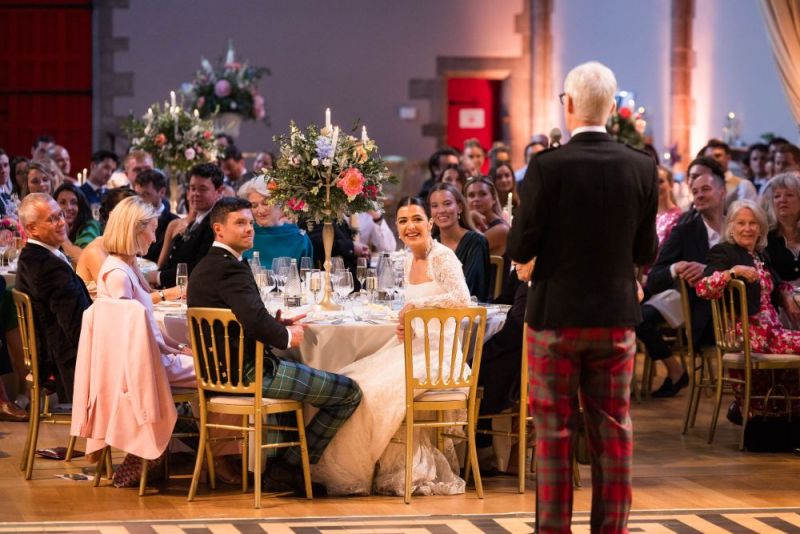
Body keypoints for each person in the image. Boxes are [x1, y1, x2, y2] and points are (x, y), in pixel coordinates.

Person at [508, 61, 657, 533]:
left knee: (553, 434)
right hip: (615, 317)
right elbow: (645, 250)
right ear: (612, 109)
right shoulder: (642, 166)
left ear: (567, 105)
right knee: (614, 433)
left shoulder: (547, 167)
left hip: (555, 318)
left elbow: (520, 247)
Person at [188, 197, 362, 494]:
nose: (249, 229)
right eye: (240, 223)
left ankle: (279, 471)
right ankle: (289, 467)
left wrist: (276, 323)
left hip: (219, 373)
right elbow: (254, 321)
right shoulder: (231, 268)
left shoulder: (207, 266)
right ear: (219, 229)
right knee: (349, 393)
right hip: (248, 373)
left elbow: (244, 317)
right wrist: (286, 337)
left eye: (250, 223)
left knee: (295, 384)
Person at [313, 196, 472, 496]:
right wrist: (409, 320)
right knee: (354, 381)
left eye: (416, 219)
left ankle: (389, 470)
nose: (410, 226)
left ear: (430, 222)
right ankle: (363, 469)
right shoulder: (408, 258)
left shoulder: (442, 257)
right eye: (402, 221)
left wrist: (415, 307)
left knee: (374, 392)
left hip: (441, 358)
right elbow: (417, 309)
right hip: (413, 349)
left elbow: (462, 298)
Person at [696, 200, 800, 414]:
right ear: (731, 227)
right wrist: (733, 272)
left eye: (753, 223)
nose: (747, 228)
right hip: (747, 334)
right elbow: (703, 288)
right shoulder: (723, 252)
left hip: (771, 332)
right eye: (741, 223)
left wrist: (787, 295)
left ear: (761, 228)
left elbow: (779, 283)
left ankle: (785, 413)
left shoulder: (760, 254)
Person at [640, 157, 727, 397]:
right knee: (639, 315)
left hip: (742, 314)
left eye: (706, 189)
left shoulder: (739, 225)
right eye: (695, 191)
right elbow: (656, 276)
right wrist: (675, 267)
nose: (699, 195)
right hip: (704, 319)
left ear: (722, 192)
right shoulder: (685, 230)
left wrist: (709, 271)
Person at [15, 194, 92, 402]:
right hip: (68, 360)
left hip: (56, 349)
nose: (62, 223)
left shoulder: (31, 256)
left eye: (60, 215)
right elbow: (77, 329)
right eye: (51, 219)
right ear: (32, 229)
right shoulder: (48, 267)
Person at [151, 163, 223, 288]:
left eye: (203, 189)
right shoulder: (198, 220)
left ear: (219, 192)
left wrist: (158, 277)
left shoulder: (215, 224)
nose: (195, 194)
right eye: (192, 188)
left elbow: (199, 268)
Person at [429, 182, 490, 302]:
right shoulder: (430, 244)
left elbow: (471, 291)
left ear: (460, 208)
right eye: (434, 206)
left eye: (447, 204)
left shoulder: (477, 242)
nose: (441, 210)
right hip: (432, 312)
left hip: (467, 314)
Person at [236, 178, 314, 265]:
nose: (260, 210)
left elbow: (307, 276)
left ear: (279, 203)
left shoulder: (299, 238)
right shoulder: (245, 235)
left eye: (265, 203)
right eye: (254, 206)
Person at [761, 173, 800, 287]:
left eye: (789, 195)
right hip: (779, 301)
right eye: (777, 196)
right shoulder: (765, 237)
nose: (782, 200)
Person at [133, 169, 178, 263]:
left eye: (146, 194)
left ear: (162, 192)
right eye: (137, 195)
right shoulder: (131, 218)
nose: (140, 200)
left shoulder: (174, 222)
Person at [54, 183, 101, 264]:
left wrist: (62, 236)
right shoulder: (51, 227)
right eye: (62, 203)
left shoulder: (90, 226)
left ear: (81, 205)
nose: (69, 207)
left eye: (74, 202)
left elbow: (85, 260)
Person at [465, 176, 509, 256]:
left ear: (494, 199)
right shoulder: (471, 222)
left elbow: (464, 252)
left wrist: (468, 219)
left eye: (483, 194)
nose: (476, 199)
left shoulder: (502, 229)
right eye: (471, 195)